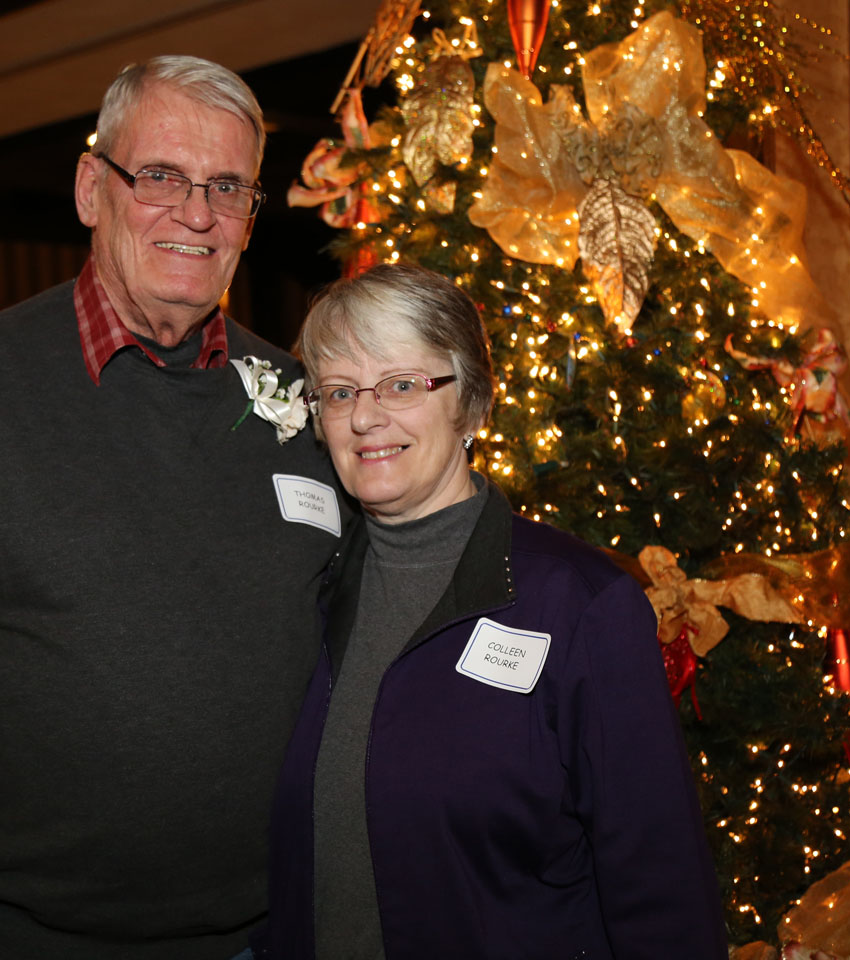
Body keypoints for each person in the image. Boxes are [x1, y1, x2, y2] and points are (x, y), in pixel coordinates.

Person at [0, 56, 346, 960]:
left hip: (271, 933)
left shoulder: (296, 401)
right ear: (90, 189)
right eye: (163, 177)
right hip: (19, 938)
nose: (197, 212)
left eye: (229, 186)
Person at [264, 263, 728, 958]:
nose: (364, 417)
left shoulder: (580, 604)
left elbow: (659, 884)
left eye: (402, 385)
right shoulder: (309, 587)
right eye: (338, 392)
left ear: (473, 405)